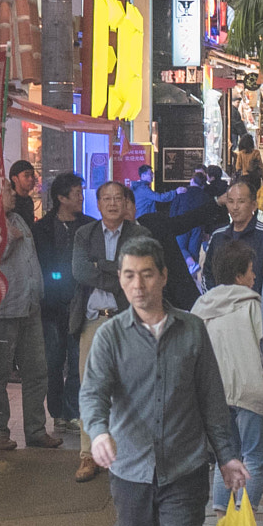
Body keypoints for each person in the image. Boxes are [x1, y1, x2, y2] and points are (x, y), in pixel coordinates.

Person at [81, 237, 248, 526]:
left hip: (185, 465)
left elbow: (212, 400)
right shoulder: (110, 336)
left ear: (164, 276)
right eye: (129, 275)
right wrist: (98, 433)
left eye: (147, 274)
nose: (138, 285)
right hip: (130, 468)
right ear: (120, 280)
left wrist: (228, 457)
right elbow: (93, 394)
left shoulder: (191, 330)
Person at [0, 171, 59, 451]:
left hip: (29, 307)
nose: (13, 195)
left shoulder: (17, 219)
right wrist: (8, 237)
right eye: (7, 191)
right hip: (0, 310)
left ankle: (36, 430)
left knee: (37, 372)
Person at [194, 240, 263, 526]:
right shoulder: (253, 305)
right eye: (252, 271)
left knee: (225, 457)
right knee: (254, 458)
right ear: (241, 276)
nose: (255, 277)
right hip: (251, 391)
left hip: (214, 394)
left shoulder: (201, 308)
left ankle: (223, 525)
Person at [72, 180, 154, 481]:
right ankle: (88, 454)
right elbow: (80, 272)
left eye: (117, 198)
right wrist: (119, 273)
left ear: (125, 202)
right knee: (90, 389)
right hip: (93, 320)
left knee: (132, 387)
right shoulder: (85, 234)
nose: (112, 203)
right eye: (105, 198)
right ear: (98, 202)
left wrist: (101, 267)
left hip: (128, 320)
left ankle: (127, 453)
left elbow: (142, 274)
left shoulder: (139, 234)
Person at [34, 172, 91, 436]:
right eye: (77, 193)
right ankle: (57, 413)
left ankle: (72, 412)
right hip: (51, 306)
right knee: (54, 362)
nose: (81, 197)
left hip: (82, 303)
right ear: (61, 198)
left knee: (79, 362)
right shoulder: (42, 228)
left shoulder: (90, 226)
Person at [197, 177, 263, 292]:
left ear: (254, 205)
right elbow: (207, 274)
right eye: (231, 201)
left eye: (241, 201)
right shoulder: (218, 236)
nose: (235, 207)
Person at [8, 158, 41, 231]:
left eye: (32, 175)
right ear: (15, 179)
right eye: (26, 176)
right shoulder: (10, 201)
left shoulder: (29, 200)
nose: (31, 179)